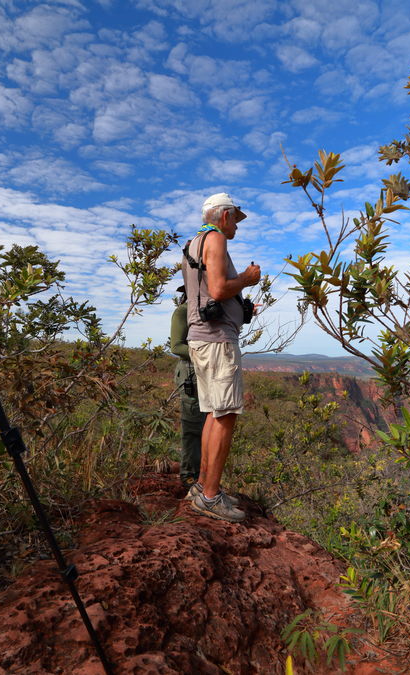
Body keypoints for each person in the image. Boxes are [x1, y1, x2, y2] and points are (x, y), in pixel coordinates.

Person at [181, 192, 261, 522]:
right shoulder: (215, 239)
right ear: (225, 216)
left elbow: (205, 292)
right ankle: (211, 497)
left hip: (202, 338)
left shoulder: (194, 243)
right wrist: (246, 279)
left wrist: (239, 305)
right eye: (236, 220)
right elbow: (216, 290)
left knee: (215, 413)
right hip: (217, 341)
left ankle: (203, 486)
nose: (237, 226)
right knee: (226, 414)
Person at [170, 286, 206, 489]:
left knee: (207, 425)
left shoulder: (205, 311)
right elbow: (176, 346)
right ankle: (189, 476)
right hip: (191, 373)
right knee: (193, 426)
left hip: (206, 373)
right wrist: (206, 354)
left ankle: (202, 474)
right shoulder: (183, 311)